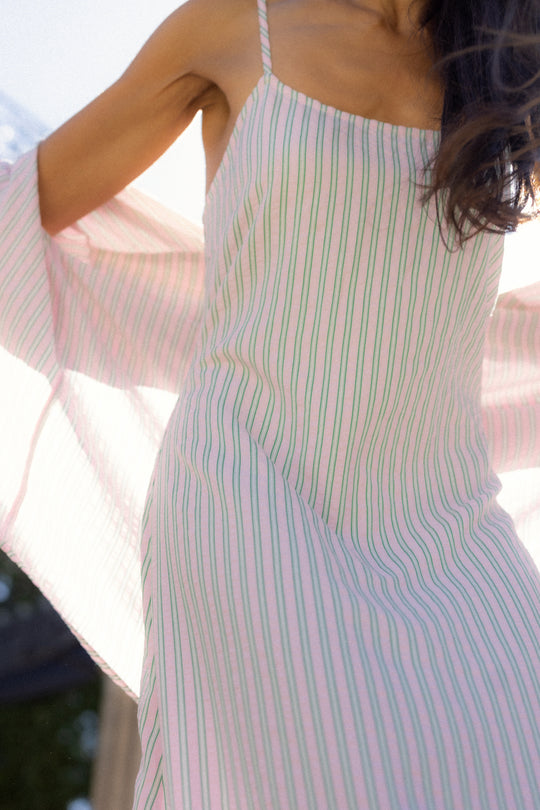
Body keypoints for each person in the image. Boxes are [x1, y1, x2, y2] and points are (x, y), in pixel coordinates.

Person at [1, 0, 540, 807]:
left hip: (451, 530)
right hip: (244, 506)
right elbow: (29, 208)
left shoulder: (513, 63)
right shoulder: (230, 26)